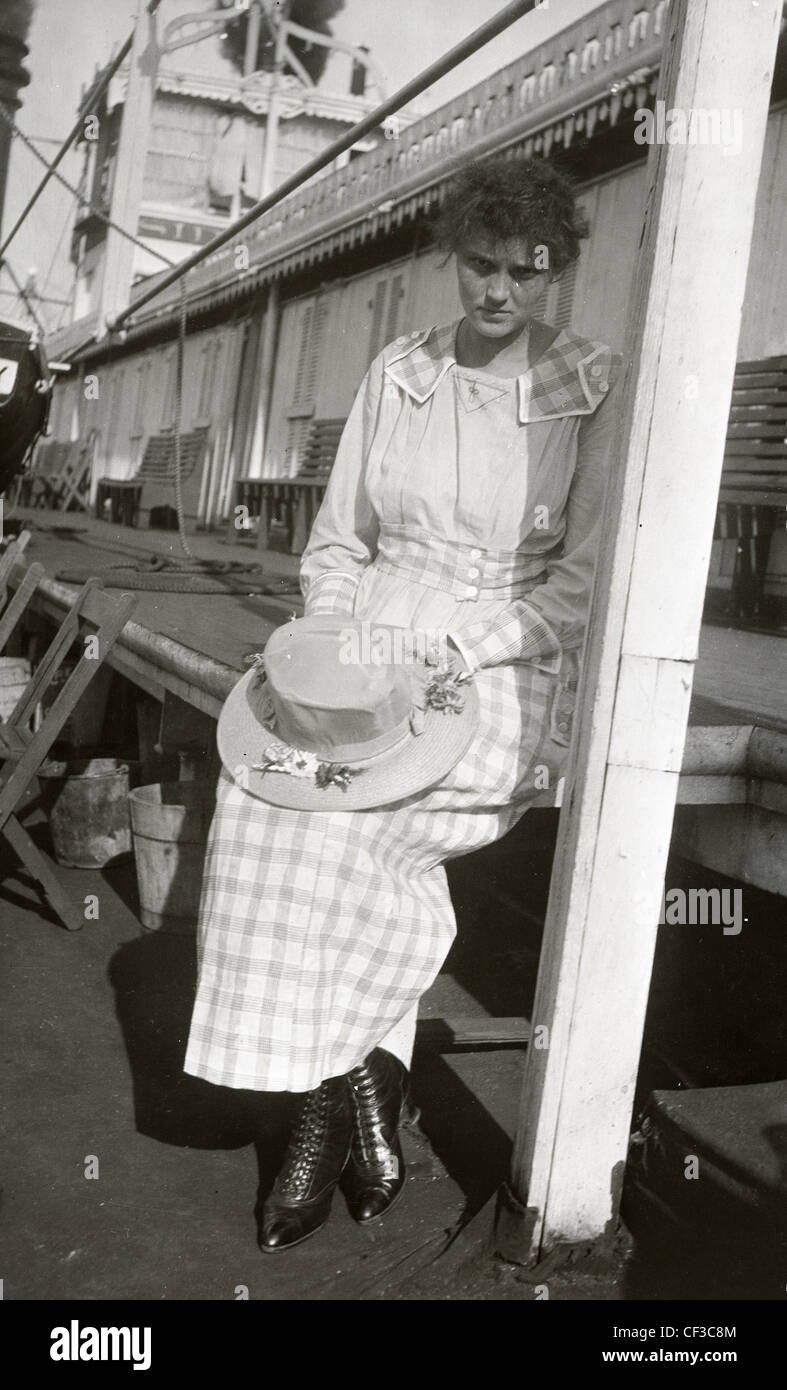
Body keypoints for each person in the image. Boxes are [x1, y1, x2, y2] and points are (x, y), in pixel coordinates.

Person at [184, 155, 621, 1253]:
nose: (497, 292)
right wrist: (339, 644)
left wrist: (446, 653)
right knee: (263, 798)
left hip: (499, 664)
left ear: (555, 270)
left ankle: (323, 1109)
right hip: (367, 649)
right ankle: (343, 1100)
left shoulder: (588, 389)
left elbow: (575, 584)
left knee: (345, 830)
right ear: (453, 260)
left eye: (526, 272)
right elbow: (338, 544)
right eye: (479, 265)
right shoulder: (400, 370)